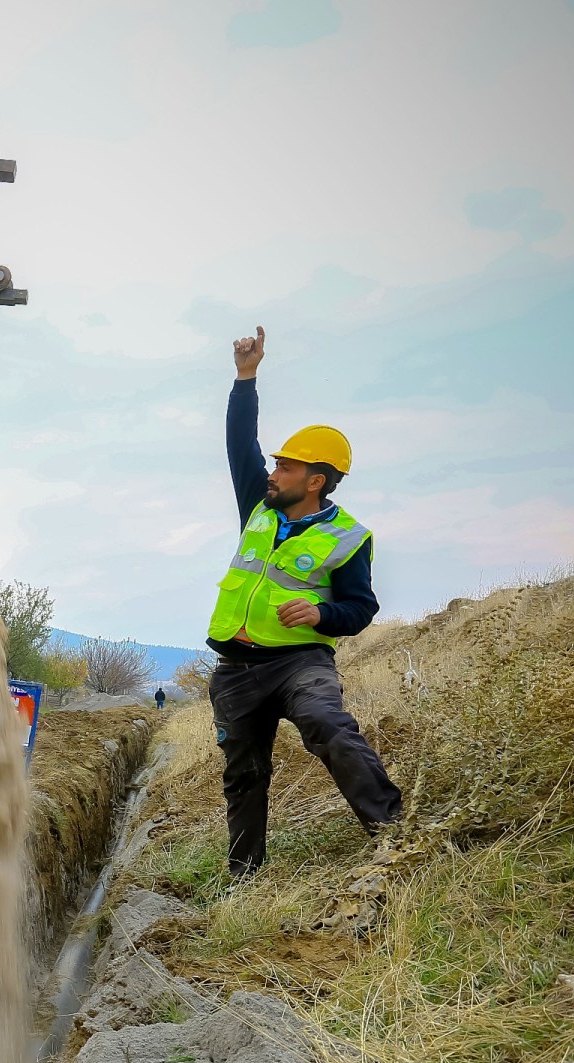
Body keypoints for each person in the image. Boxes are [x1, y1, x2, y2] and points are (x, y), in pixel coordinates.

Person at [206, 326, 401, 876]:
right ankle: (244, 875)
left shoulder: (347, 537)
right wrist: (245, 378)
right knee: (243, 772)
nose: (272, 473)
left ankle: (394, 834)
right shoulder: (259, 510)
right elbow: (238, 447)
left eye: (285, 467)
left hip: (299, 663)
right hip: (236, 669)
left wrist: (320, 614)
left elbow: (361, 610)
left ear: (315, 481)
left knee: (327, 724)